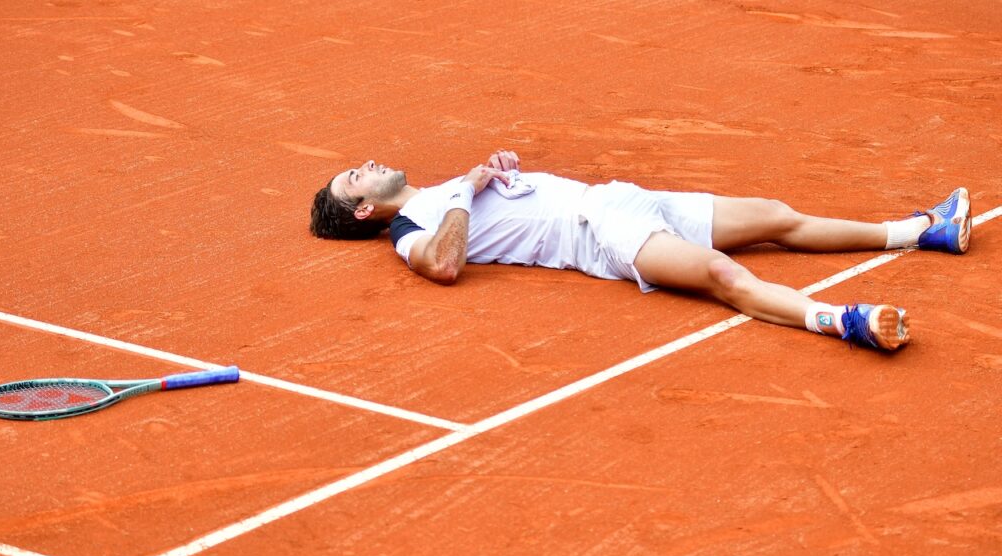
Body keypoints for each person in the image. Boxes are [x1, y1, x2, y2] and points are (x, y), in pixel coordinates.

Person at [308, 150, 972, 351]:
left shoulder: (441, 189)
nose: (365, 165)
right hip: (600, 233)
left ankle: (922, 231)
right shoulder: (407, 230)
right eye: (354, 178)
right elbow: (445, 264)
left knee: (775, 216)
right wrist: (472, 188)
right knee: (718, 274)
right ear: (364, 209)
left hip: (622, 197)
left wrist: (489, 174)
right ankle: (840, 319)